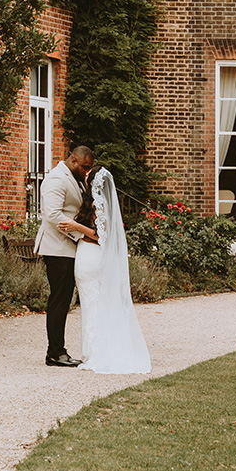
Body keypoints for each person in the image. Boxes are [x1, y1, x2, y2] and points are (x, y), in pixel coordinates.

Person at [58, 167, 151, 374]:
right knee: (95, 303)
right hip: (89, 255)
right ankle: (96, 350)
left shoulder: (97, 204)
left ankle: (97, 353)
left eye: (87, 175)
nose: (84, 177)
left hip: (92, 255)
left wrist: (76, 226)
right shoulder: (97, 203)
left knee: (93, 304)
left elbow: (102, 236)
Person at [34, 145, 94, 366]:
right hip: (57, 248)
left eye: (90, 168)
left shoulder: (75, 178)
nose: (87, 172)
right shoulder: (56, 179)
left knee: (64, 299)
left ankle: (57, 350)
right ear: (73, 160)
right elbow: (52, 214)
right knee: (59, 301)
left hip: (66, 248)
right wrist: (82, 235)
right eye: (85, 167)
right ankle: (55, 353)